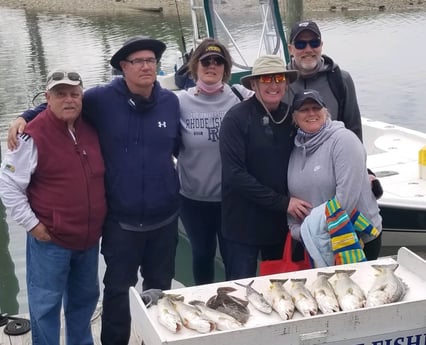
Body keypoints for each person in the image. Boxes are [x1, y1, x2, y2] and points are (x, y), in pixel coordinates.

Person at [7, 36, 181, 345]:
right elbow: (62, 104)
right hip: (115, 224)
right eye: (137, 61)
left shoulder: (170, 102)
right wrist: (25, 116)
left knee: (142, 292)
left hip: (155, 222)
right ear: (122, 68)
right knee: (109, 293)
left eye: (151, 61)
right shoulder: (101, 100)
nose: (146, 66)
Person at [0, 68, 107, 345]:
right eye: (60, 94)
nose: (68, 99)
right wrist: (32, 225)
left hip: (88, 239)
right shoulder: (30, 135)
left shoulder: (91, 127)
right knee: (46, 306)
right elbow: (9, 186)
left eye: (74, 94)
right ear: (47, 97)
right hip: (50, 241)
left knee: (84, 302)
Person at [219, 55, 312, 280]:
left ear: (286, 82)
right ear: (253, 84)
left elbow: (320, 141)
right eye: (266, 79)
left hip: (280, 225)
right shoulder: (236, 119)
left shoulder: (292, 116)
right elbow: (235, 175)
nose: (273, 84)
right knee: (239, 292)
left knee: (281, 289)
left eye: (279, 78)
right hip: (243, 225)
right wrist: (283, 203)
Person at [177, 38, 252, 285]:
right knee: (202, 255)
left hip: (232, 200)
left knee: (234, 259)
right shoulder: (180, 102)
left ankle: (234, 306)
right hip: (193, 200)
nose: (212, 66)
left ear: (226, 68)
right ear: (195, 65)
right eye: (205, 61)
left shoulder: (241, 97)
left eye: (218, 61)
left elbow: (276, 97)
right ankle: (204, 304)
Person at [287, 89, 382, 264]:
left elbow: (345, 201)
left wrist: (303, 231)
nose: (311, 113)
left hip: (355, 240)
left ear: (326, 111)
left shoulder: (344, 141)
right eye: (304, 109)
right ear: (295, 117)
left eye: (316, 107)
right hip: (319, 241)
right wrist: (296, 228)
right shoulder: (295, 147)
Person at [287, 20, 363, 141]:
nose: (308, 49)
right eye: (300, 44)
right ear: (290, 49)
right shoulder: (281, 82)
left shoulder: (341, 79)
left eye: (314, 43)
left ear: (321, 45)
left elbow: (354, 129)